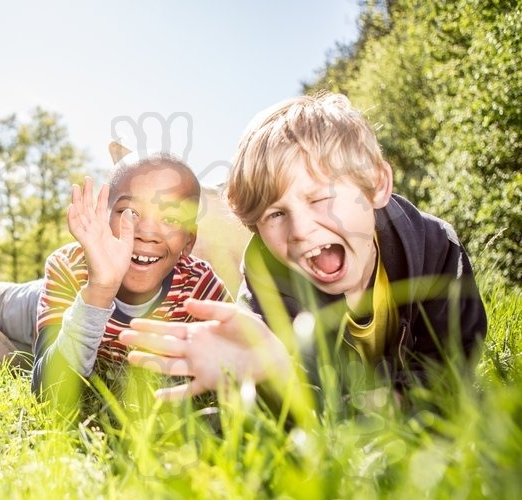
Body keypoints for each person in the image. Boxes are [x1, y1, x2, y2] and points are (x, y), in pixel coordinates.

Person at [119, 91, 487, 404]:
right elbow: (296, 407)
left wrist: (387, 408)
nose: (300, 229)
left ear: (376, 185)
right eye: (276, 214)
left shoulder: (437, 251)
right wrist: (276, 374)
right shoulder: (268, 285)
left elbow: (449, 379)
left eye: (320, 198)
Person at [32, 145, 231, 404]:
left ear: (188, 243)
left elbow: (237, 368)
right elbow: (47, 390)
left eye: (170, 219)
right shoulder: (68, 267)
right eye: (130, 213)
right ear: (103, 220)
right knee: (6, 307)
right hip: (43, 299)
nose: (146, 232)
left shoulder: (198, 286)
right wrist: (99, 290)